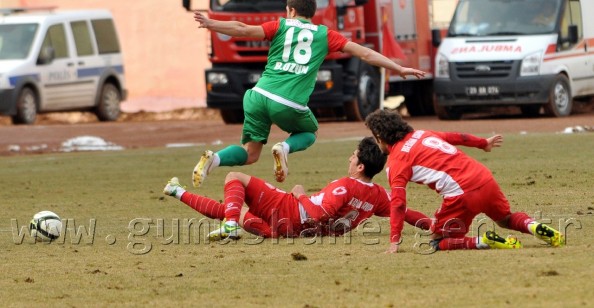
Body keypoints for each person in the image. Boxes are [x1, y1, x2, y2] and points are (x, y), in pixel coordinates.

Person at [191, 0, 427, 188]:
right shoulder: (325, 34)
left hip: (257, 96)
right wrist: (398, 68)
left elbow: (242, 29)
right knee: (309, 132)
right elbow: (364, 53)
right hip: (286, 101)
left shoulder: (279, 25)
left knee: (250, 154)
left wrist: (212, 23)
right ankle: (284, 148)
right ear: (311, 12)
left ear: (290, 10)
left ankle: (215, 158)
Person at [365, 109, 566, 253]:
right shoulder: (422, 134)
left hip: (462, 194)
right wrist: (483, 143)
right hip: (485, 179)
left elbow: (398, 203)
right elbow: (456, 136)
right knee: (506, 219)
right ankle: (534, 226)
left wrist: (394, 240)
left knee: (438, 241)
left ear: (380, 137)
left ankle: (485, 241)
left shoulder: (396, 161)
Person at [163, 137, 434, 240]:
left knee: (235, 177)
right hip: (290, 233)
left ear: (361, 166)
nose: (349, 159)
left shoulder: (343, 186)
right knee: (230, 209)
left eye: (353, 156)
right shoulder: (378, 196)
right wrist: (430, 224)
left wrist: (300, 192)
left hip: (289, 211)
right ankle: (176, 191)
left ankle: (230, 225)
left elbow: (316, 212)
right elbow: (403, 211)